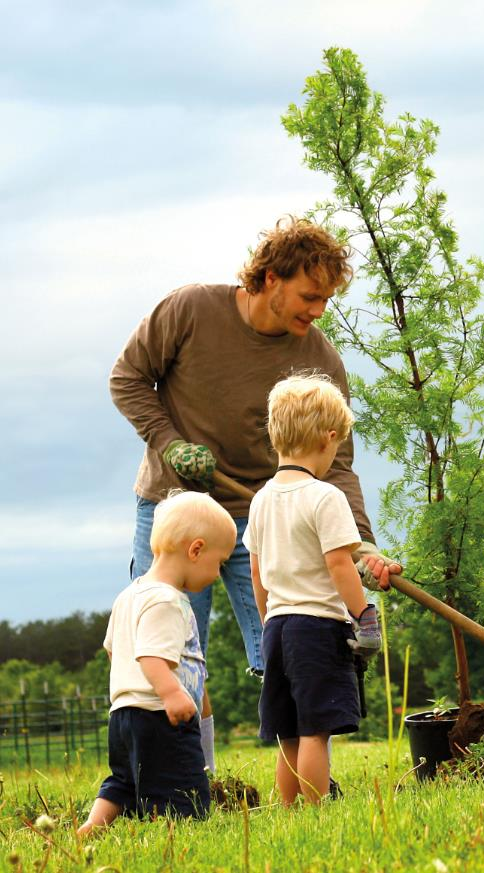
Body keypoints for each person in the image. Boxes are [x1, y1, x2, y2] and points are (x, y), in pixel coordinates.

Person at [109, 217, 401, 771]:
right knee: (165, 645)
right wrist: (170, 444)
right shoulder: (190, 310)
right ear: (270, 277)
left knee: (289, 644)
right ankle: (193, 776)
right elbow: (127, 377)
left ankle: (308, 776)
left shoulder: (319, 360)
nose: (318, 312)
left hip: (264, 516)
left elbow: (337, 465)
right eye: (310, 296)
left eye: (326, 301)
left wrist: (358, 544)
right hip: (175, 508)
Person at [245, 374, 385, 804]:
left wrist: (268, 621)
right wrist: (364, 615)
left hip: (278, 629)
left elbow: (256, 571)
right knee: (315, 730)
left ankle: (289, 811)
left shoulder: (261, 499)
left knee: (288, 731)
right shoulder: (326, 497)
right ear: (328, 438)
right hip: (317, 627)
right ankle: (315, 808)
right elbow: (340, 563)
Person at [79, 492, 237, 836]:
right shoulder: (167, 600)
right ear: (195, 550)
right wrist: (171, 693)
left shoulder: (129, 595)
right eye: (219, 562)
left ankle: (93, 826)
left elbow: (113, 650)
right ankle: (177, 837)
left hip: (123, 715)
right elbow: (151, 656)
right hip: (160, 715)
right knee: (183, 789)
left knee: (123, 781)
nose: (217, 574)